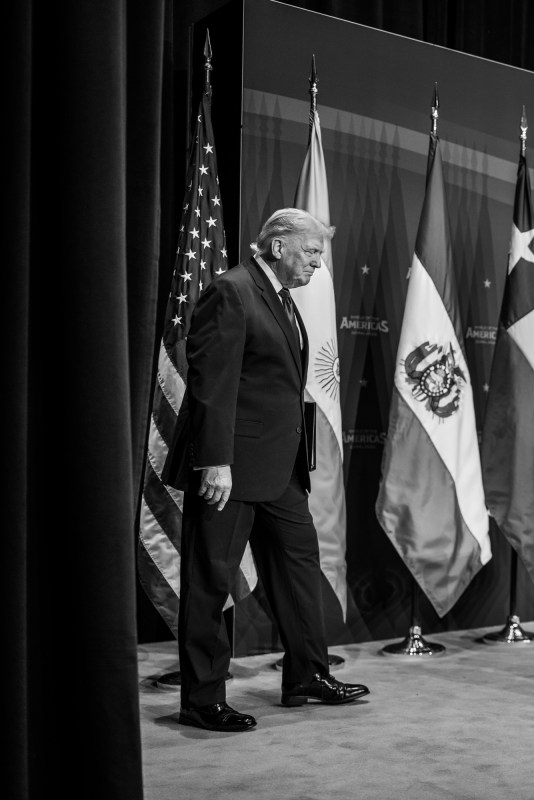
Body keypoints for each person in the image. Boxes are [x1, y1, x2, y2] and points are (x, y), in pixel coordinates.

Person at [165, 208, 369, 732]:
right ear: (279, 247)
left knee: (300, 569)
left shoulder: (278, 297)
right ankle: (202, 699)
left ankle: (307, 675)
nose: (318, 266)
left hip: (280, 471)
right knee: (209, 581)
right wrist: (214, 460)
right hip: (228, 471)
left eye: (320, 254)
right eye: (312, 253)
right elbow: (212, 383)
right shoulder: (232, 291)